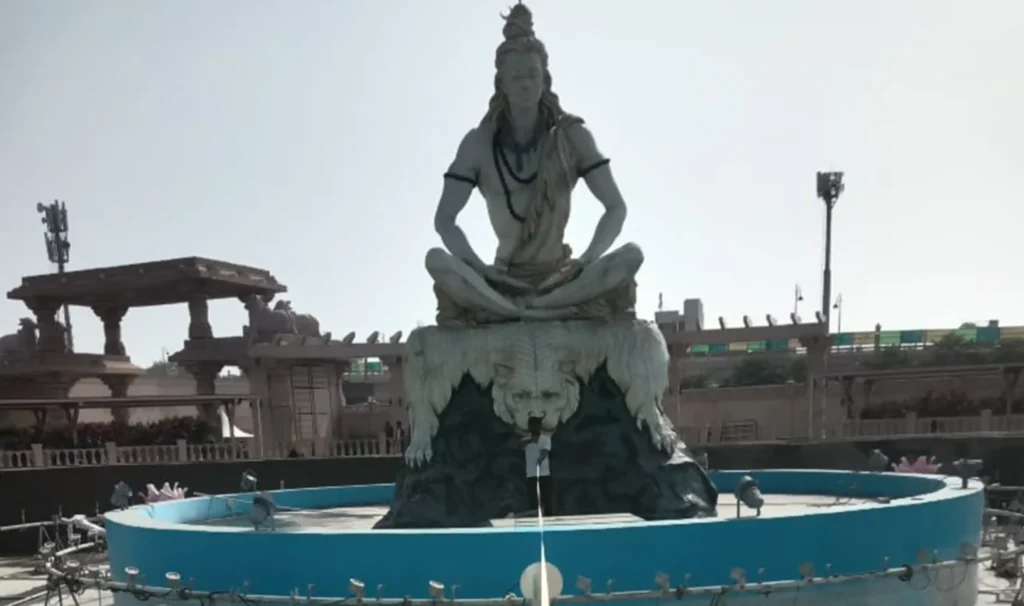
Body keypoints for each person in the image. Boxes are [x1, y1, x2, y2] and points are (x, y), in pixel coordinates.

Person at [425, 2, 644, 327]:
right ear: (502, 82)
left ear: (545, 79)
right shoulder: (478, 143)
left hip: (561, 277)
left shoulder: (572, 136)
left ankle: (517, 310)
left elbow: (616, 207)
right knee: (437, 261)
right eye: (516, 76)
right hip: (502, 279)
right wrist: (481, 269)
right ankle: (536, 308)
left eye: (532, 74)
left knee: (632, 254)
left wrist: (584, 261)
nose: (525, 83)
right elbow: (444, 220)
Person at [525, 426, 553, 516]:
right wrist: (530, 440)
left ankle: (548, 517)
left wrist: (540, 459)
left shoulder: (545, 438)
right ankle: (534, 516)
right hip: (531, 474)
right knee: (534, 498)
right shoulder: (526, 440)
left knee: (545, 498)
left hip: (544, 474)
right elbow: (519, 444)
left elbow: (545, 451)